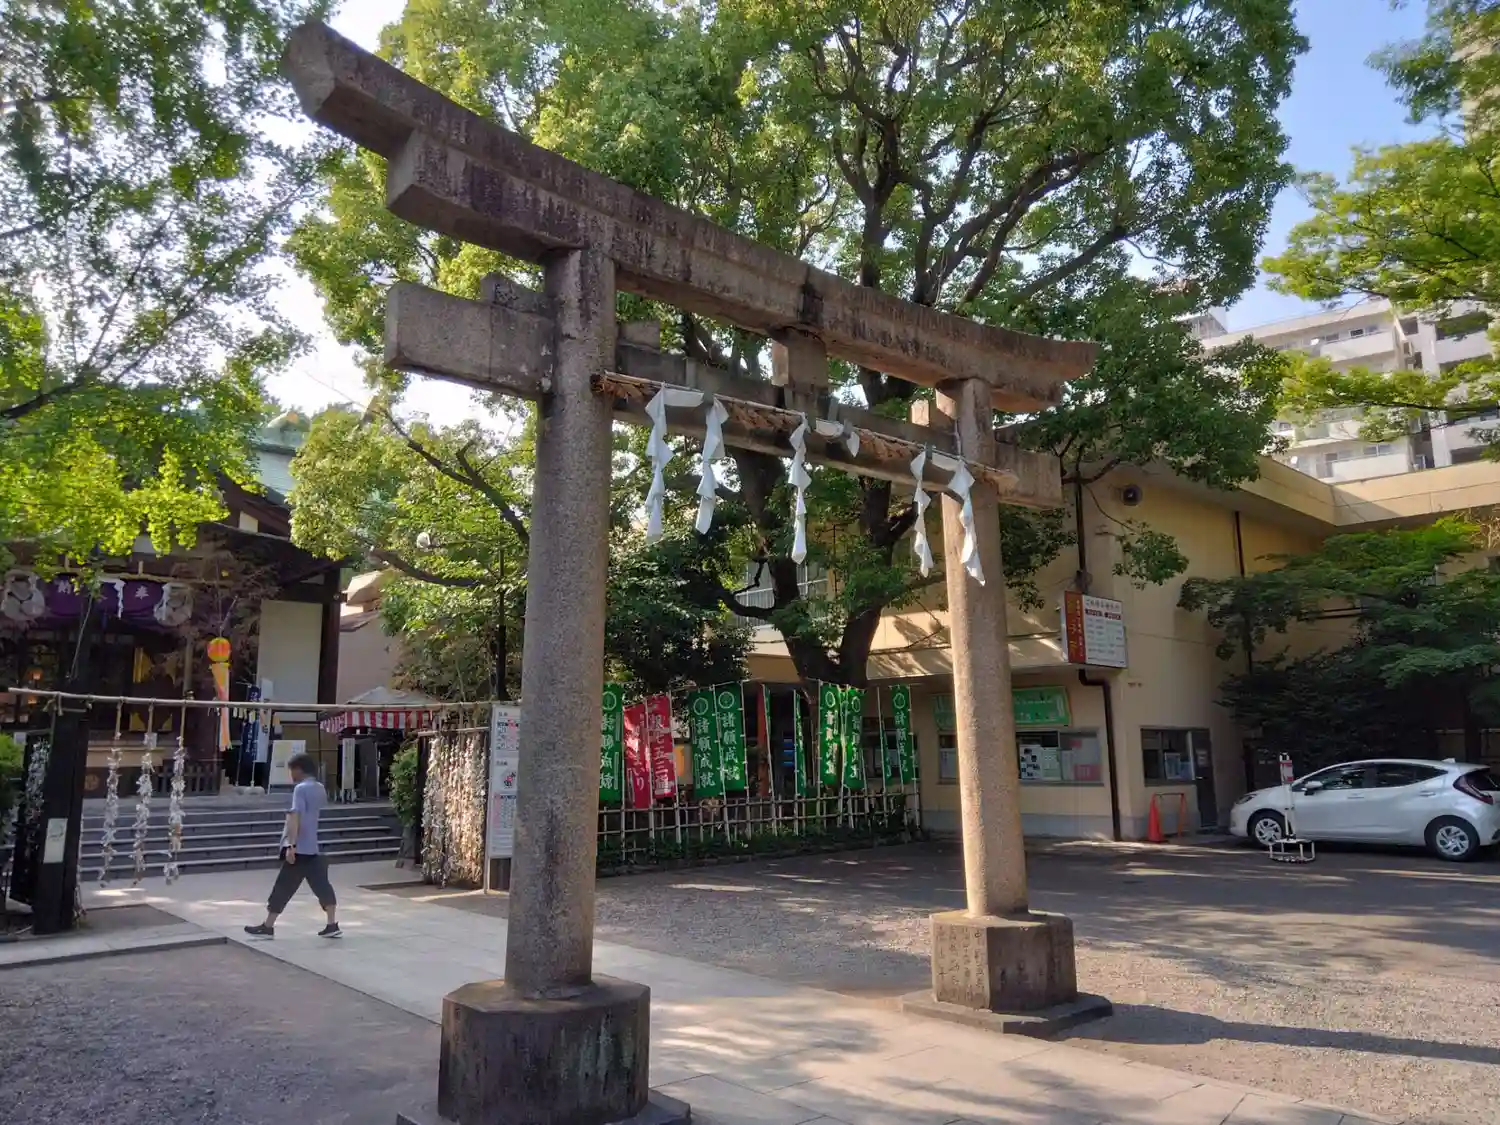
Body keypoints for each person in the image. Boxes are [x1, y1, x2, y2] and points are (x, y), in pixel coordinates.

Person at [244, 752, 340, 939]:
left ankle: (268, 927)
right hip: (316, 847)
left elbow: (295, 816)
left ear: (299, 769)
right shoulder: (320, 788)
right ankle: (332, 924)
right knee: (322, 886)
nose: (291, 774)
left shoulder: (300, 789)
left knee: (284, 886)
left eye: (292, 770)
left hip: (301, 847)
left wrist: (291, 845)